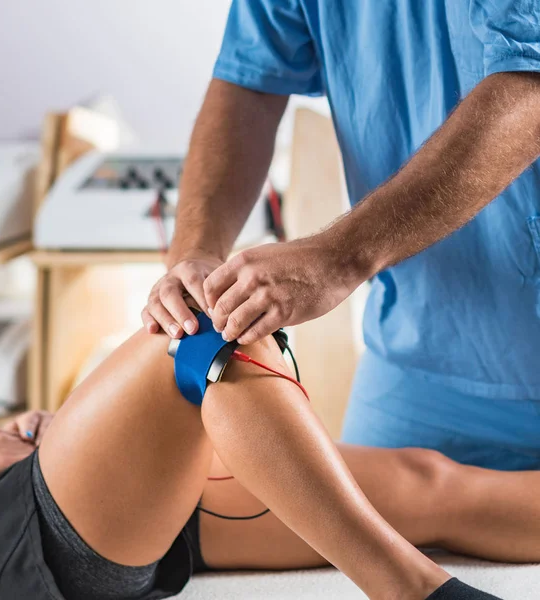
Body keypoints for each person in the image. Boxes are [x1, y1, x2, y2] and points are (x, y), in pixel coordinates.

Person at [142, 1, 540, 470]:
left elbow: (529, 88)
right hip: (419, 361)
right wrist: (196, 252)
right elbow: (248, 80)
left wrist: (337, 258)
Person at [0, 322, 539, 599]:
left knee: (428, 483)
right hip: (3, 530)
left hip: (75, 488)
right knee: (199, 335)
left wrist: (2, 431)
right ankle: (409, 591)